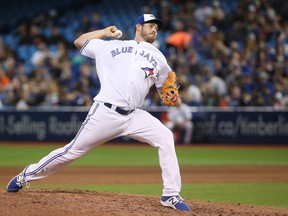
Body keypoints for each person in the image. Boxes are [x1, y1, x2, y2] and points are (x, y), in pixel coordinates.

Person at [6, 14, 192, 212]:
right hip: (106, 112)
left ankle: (171, 194)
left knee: (165, 136)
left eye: (157, 27)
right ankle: (26, 175)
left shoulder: (159, 57)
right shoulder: (110, 46)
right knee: (71, 151)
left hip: (135, 115)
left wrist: (175, 99)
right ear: (138, 27)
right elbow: (79, 41)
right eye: (151, 25)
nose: (155, 29)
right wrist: (104, 33)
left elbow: (168, 92)